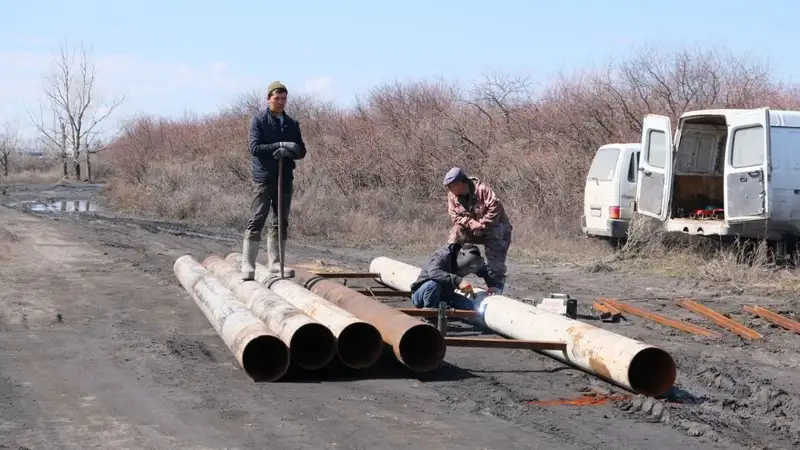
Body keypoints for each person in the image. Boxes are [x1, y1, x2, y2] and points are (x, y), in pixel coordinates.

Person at [240, 81, 307, 281]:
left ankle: (276, 264)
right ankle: (248, 265)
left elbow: (301, 150)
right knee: (258, 217)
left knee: (280, 221)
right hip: (264, 177)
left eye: (283, 99)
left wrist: (291, 151)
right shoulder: (259, 121)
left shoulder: (291, 123)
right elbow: (255, 148)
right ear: (268, 99)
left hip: (284, 176)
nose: (280, 102)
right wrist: (277, 146)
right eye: (277, 98)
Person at [443, 167, 512, 293]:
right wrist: (472, 223)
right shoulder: (452, 196)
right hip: (472, 229)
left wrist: (481, 224)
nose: (449, 189)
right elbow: (455, 216)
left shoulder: (482, 190)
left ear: (460, 183)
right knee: (456, 231)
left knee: (495, 265)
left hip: (495, 229)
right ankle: (448, 268)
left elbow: (496, 209)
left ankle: (496, 287)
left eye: (451, 186)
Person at [409, 243, 503, 311]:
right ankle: (430, 315)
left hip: (445, 295)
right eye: (467, 267)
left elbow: (484, 270)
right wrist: (459, 281)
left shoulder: (472, 261)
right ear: (461, 256)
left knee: (468, 306)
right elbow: (434, 272)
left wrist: (492, 285)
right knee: (433, 284)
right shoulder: (443, 255)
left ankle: (441, 308)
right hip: (422, 295)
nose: (468, 270)